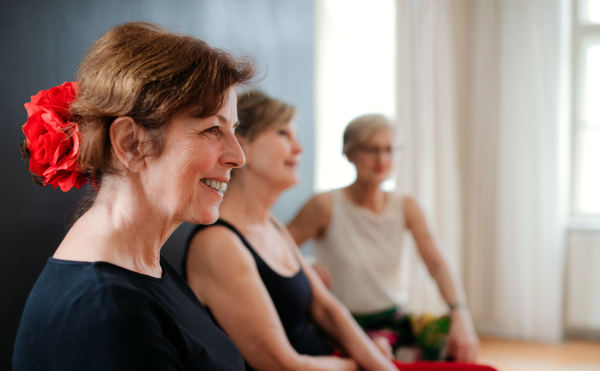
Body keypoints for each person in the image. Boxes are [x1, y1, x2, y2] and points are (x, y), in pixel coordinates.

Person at [13, 22, 255, 370]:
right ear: (130, 143)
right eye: (212, 129)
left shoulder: (142, 265)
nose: (238, 156)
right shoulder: (106, 311)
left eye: (232, 129)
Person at [183, 91, 397, 371]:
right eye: (283, 133)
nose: (299, 148)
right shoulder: (218, 244)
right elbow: (281, 365)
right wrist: (359, 364)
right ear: (241, 142)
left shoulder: (271, 225)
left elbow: (328, 310)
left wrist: (379, 362)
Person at [287, 114, 480, 363]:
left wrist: (460, 314)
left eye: (389, 150)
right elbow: (274, 248)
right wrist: (307, 268)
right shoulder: (325, 205)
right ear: (350, 153)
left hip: (393, 320)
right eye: (372, 150)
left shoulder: (407, 205)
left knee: (454, 338)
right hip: (342, 324)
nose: (382, 159)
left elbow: (437, 263)